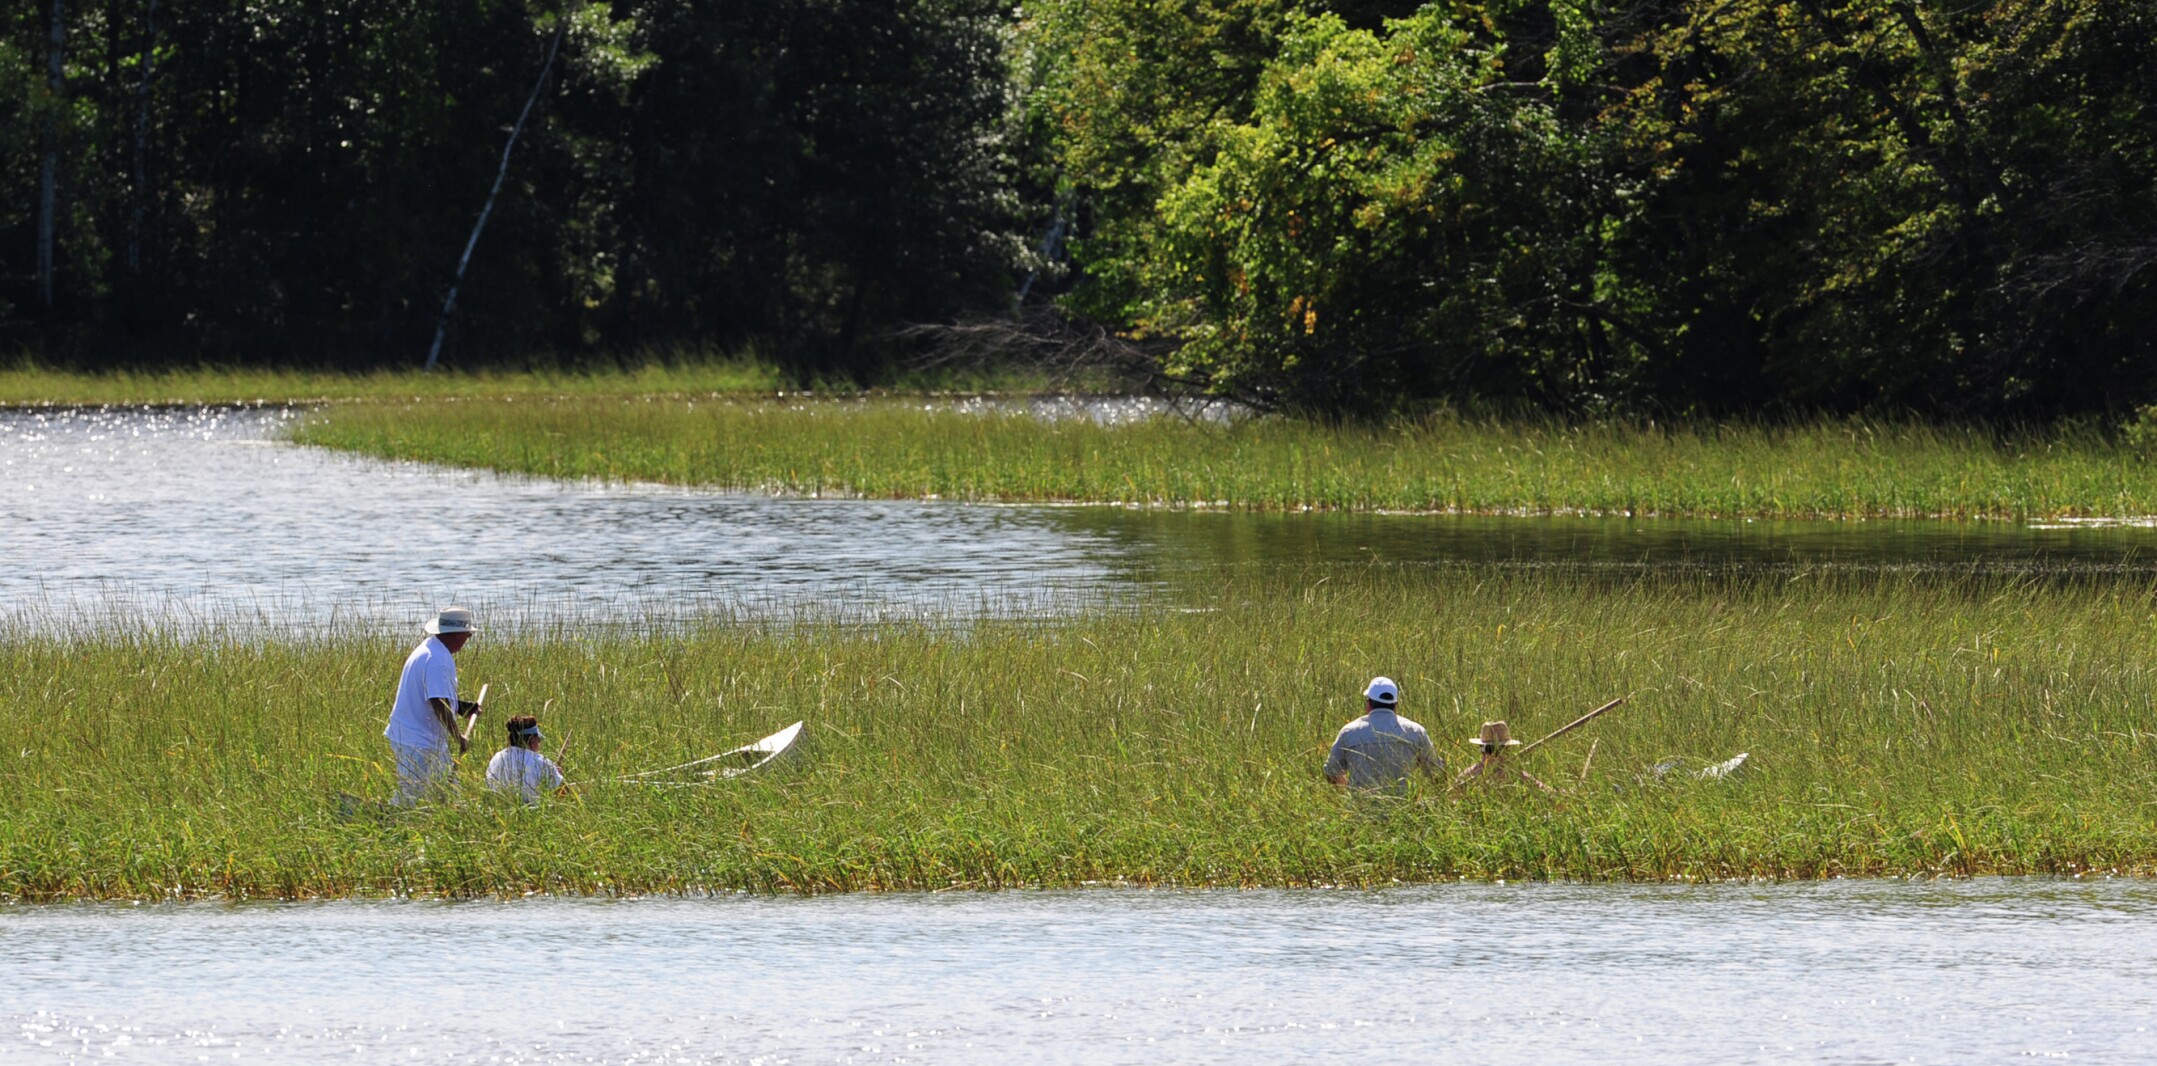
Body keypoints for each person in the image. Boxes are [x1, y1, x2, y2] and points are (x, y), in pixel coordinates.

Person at [383, 606, 485, 806]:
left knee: (447, 790)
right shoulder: (438, 659)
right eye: (468, 635)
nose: (468, 639)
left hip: (419, 737)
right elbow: (439, 703)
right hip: (417, 741)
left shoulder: (430, 648)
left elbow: (434, 696)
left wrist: (463, 707)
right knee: (412, 795)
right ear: (457, 635)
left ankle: (440, 825)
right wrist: (459, 737)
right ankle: (390, 821)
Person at [1323, 677, 1442, 792]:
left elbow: (1331, 772)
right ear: (1395, 705)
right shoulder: (1416, 732)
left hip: (1361, 809)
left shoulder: (1349, 732)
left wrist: (1351, 792)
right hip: (1405, 810)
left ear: (1369, 703)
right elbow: (1437, 773)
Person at [486, 715, 566, 803]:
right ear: (532, 741)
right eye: (538, 740)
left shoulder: (496, 759)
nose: (539, 745)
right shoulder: (542, 763)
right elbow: (564, 795)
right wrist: (557, 776)